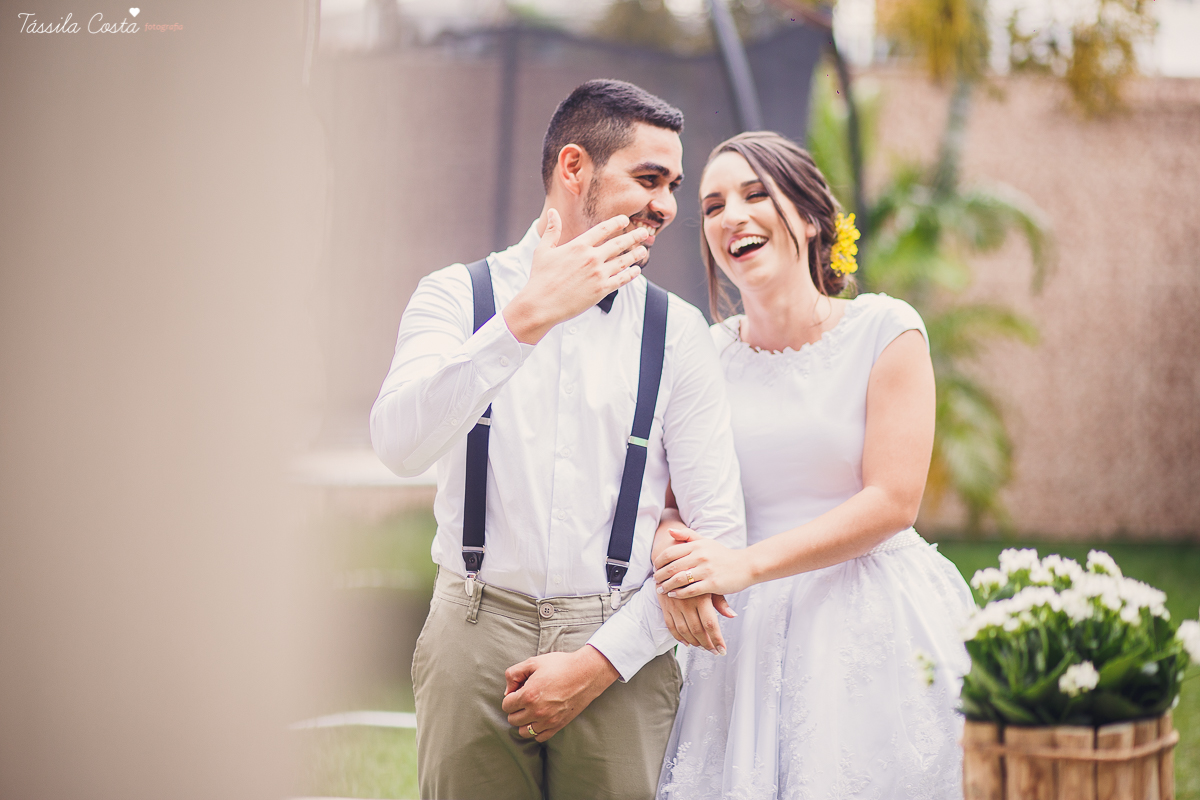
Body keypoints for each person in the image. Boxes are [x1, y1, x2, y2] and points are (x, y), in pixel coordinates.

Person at [370, 79, 745, 800]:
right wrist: (522, 321)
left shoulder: (678, 335)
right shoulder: (454, 297)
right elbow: (398, 444)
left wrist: (598, 662)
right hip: (471, 632)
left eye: (672, 184)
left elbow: (718, 530)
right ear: (575, 169)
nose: (668, 206)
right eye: (648, 178)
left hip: (622, 646)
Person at [651, 131, 975, 799]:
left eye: (753, 194)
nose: (729, 216)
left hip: (868, 623)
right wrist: (669, 546)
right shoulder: (700, 357)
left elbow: (892, 501)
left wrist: (746, 565)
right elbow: (670, 499)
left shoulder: (888, 331)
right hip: (739, 639)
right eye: (712, 206)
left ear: (808, 215)